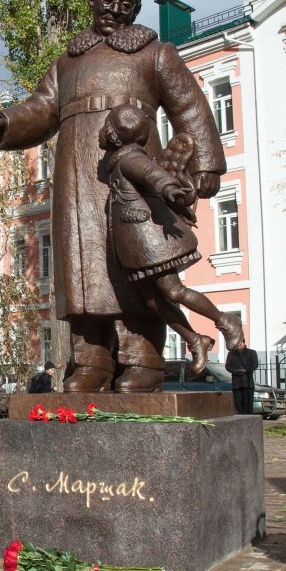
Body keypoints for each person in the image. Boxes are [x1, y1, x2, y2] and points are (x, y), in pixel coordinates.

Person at [0, 0, 226, 393]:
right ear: (92, 0)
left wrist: (207, 165)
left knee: (138, 266)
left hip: (133, 171)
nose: (115, 10)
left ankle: (144, 361)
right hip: (76, 174)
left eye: (126, 3)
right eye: (108, 0)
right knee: (81, 267)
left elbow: (190, 106)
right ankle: (92, 362)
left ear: (137, 7)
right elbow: (41, 109)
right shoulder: (68, 61)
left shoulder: (155, 53)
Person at [101, 104, 243, 376]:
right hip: (136, 246)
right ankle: (195, 340)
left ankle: (226, 322)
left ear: (114, 135)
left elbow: (152, 175)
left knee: (174, 291)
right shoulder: (120, 161)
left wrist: (168, 188)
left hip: (150, 244)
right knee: (154, 301)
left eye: (105, 128)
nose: (101, 134)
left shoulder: (130, 159)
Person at [225, 342, 260, 415]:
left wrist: (246, 370)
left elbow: (255, 364)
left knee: (248, 404)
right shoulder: (231, 354)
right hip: (237, 383)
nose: (238, 345)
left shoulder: (251, 352)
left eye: (240, 343)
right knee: (238, 403)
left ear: (243, 343)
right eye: (237, 343)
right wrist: (235, 371)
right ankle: (240, 418)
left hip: (248, 383)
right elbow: (228, 366)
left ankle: (248, 419)